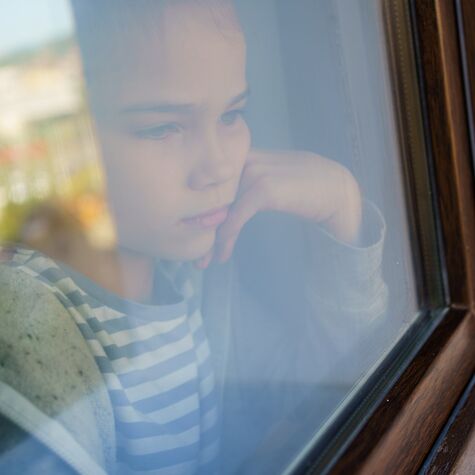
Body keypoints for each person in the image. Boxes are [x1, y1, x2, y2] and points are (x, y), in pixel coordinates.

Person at [0, 1, 388, 473]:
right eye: (162, 127)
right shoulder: (26, 327)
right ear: (72, 147)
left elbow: (336, 397)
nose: (218, 166)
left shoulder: (197, 288)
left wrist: (342, 208)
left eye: (231, 115)